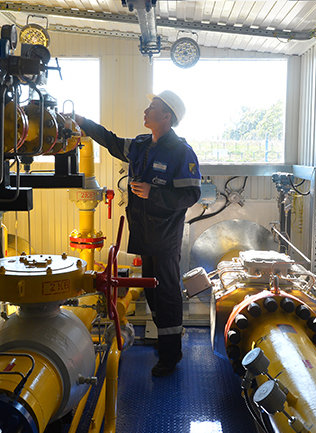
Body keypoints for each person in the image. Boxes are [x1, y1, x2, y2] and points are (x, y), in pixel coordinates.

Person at [75, 90, 201, 376]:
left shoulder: (181, 151)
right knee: (151, 290)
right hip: (143, 233)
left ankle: (171, 355)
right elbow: (111, 141)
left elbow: (191, 195)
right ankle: (165, 341)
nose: (146, 111)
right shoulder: (141, 144)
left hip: (165, 237)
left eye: (152, 107)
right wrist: (84, 122)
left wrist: (153, 192)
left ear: (167, 116)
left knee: (166, 292)